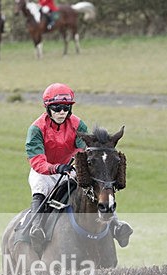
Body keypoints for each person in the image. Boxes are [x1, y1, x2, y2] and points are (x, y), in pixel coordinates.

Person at [23, 83, 133, 246]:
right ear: (48, 108)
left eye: (66, 108)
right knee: (40, 189)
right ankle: (36, 227)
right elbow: (37, 160)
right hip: (44, 172)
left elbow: (85, 149)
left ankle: (115, 225)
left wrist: (80, 167)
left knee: (95, 188)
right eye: (57, 108)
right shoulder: (36, 129)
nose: (62, 112)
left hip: (70, 168)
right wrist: (56, 168)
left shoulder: (77, 124)